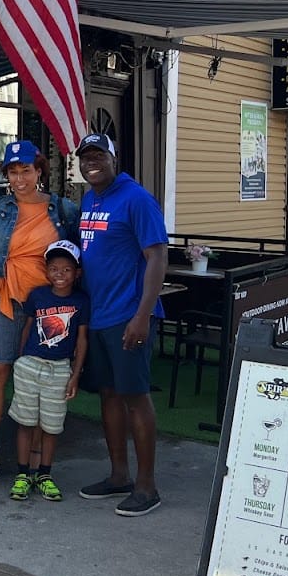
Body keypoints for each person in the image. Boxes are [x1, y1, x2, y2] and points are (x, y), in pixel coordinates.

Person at [0, 139, 79, 490]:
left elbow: (77, 262)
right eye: (13, 172)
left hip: (48, 305)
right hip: (5, 299)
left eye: (26, 171)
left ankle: (34, 458)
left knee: (39, 375)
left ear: (39, 171)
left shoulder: (63, 210)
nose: (19, 179)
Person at [74, 133, 168, 517]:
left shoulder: (137, 199)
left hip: (129, 317)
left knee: (135, 397)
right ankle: (118, 476)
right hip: (99, 315)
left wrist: (143, 315)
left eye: (98, 156)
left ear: (114, 159)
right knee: (109, 396)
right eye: (84, 157)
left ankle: (147, 486)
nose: (91, 162)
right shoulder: (90, 198)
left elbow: (158, 256)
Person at [7, 240, 89, 502]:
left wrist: (76, 374)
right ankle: (22, 474)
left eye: (66, 269)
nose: (60, 274)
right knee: (25, 421)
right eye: (54, 268)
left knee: (52, 425)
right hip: (31, 364)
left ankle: (44, 474)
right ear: (46, 270)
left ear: (77, 273)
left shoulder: (81, 301)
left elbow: (82, 339)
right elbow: (28, 328)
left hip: (60, 369)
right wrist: (21, 359)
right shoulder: (38, 296)